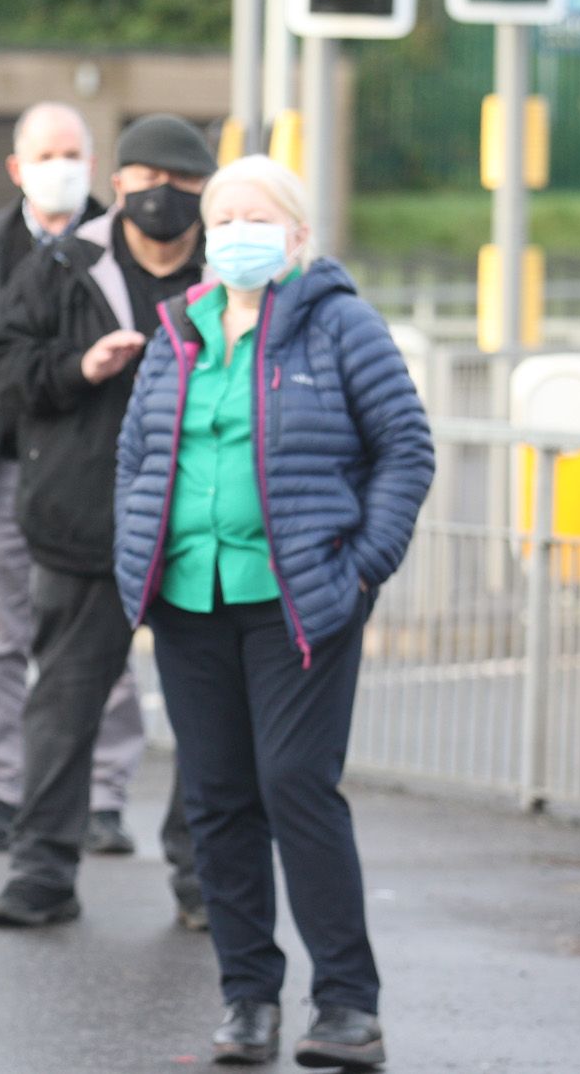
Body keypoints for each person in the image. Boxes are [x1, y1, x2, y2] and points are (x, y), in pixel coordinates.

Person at [114, 155, 433, 1069]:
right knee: (215, 800)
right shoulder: (182, 329)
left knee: (296, 784)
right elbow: (137, 455)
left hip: (301, 600)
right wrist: (133, 556)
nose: (238, 234)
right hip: (189, 598)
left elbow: (405, 449)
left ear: (297, 237)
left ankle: (347, 1005)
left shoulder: (339, 327)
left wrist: (363, 566)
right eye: (225, 219)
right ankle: (247, 997)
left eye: (259, 218)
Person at [0, 113, 214, 929]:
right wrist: (80, 367)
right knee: (65, 706)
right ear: (121, 186)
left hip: (201, 531)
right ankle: (41, 874)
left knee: (209, 718)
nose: (166, 203)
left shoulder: (226, 275)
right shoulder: (66, 267)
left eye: (185, 188)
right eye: (150, 184)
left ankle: (204, 882)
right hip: (85, 522)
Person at [0, 101, 147, 855]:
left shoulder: (116, 246)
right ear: (16, 167)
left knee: (99, 644)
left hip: (88, 478)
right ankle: (4, 790)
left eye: (75, 153)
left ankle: (102, 796)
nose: (63, 167)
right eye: (47, 154)